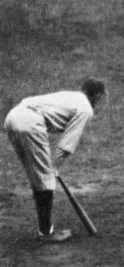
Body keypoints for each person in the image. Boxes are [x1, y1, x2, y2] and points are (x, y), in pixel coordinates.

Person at [4, 79, 106, 242]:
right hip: (29, 122)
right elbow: (67, 144)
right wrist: (55, 166)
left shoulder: (73, 96)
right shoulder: (86, 109)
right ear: (98, 96)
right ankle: (46, 233)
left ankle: (44, 229)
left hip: (12, 118)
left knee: (40, 178)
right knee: (46, 179)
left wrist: (51, 168)